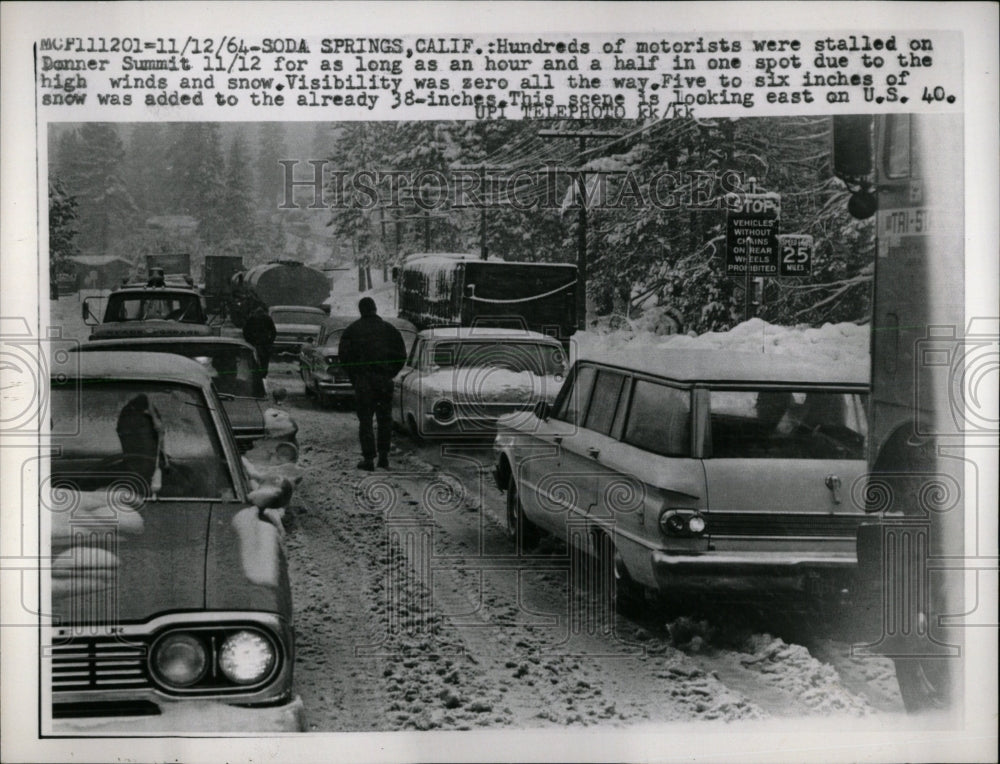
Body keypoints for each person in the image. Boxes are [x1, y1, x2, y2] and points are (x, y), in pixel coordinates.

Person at [338, 297, 407, 470]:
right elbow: (401, 355)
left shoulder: (352, 330)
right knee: (385, 419)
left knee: (366, 420)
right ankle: (383, 457)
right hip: (384, 381)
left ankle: (368, 458)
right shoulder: (390, 330)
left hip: (363, 381)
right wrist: (390, 373)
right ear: (375, 309)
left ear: (361, 310)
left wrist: (355, 377)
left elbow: (344, 358)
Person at [243, 305, 277, 377]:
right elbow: (273, 331)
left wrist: (249, 340)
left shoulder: (252, 319)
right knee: (264, 360)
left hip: (254, 342)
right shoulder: (268, 319)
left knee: (254, 359)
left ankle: (256, 373)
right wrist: (270, 341)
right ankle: (263, 374)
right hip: (265, 343)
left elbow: (245, 331)